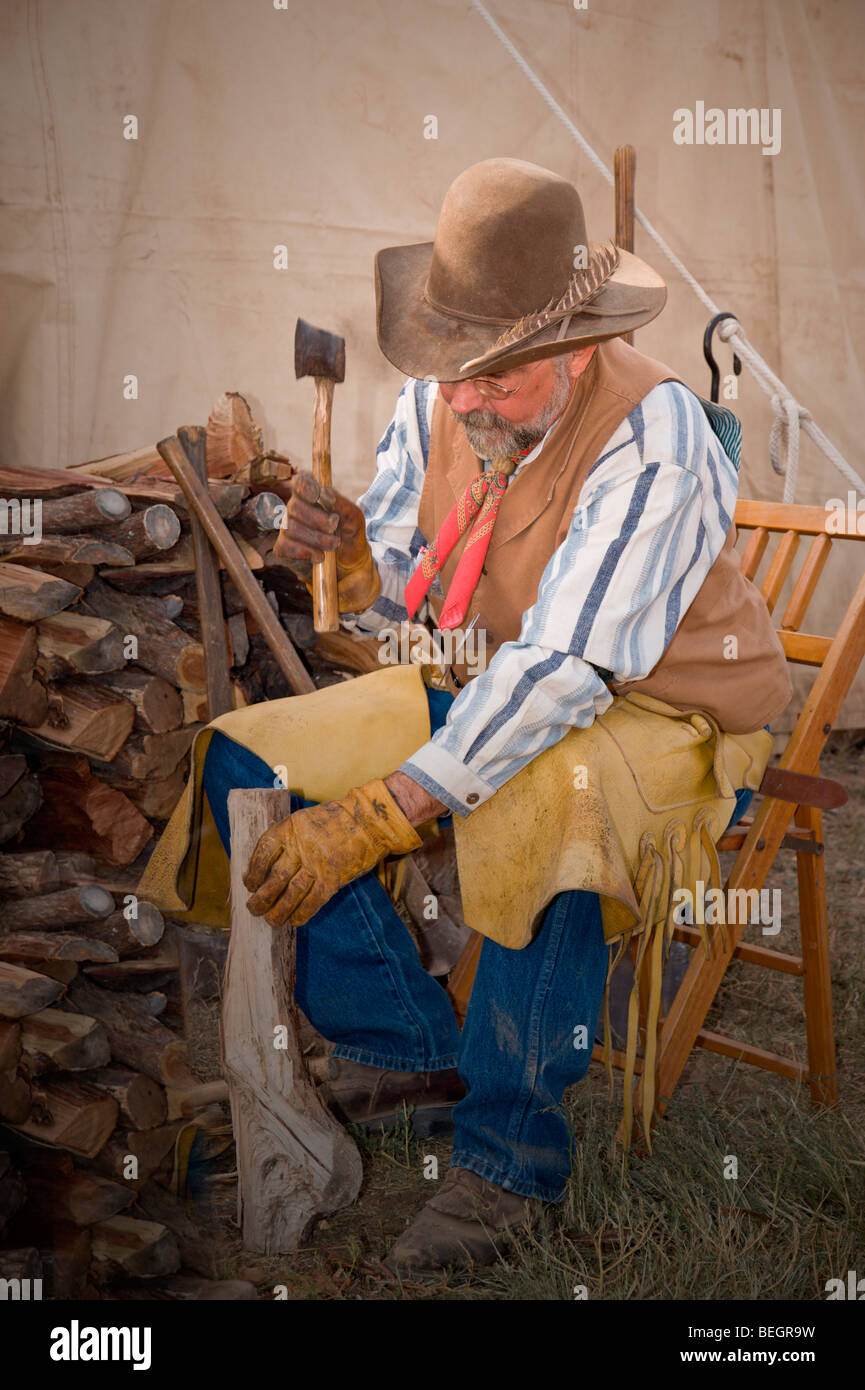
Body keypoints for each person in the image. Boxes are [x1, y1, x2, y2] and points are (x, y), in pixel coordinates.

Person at [142, 157, 791, 1278]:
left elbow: (566, 671)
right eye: (455, 372)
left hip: (664, 702)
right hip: (492, 678)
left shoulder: (658, 437)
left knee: (554, 789)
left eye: (496, 377)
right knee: (243, 751)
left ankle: (507, 1159)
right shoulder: (440, 396)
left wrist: (382, 813)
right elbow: (407, 606)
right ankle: (417, 1050)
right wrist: (352, 561)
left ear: (575, 348)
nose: (466, 400)